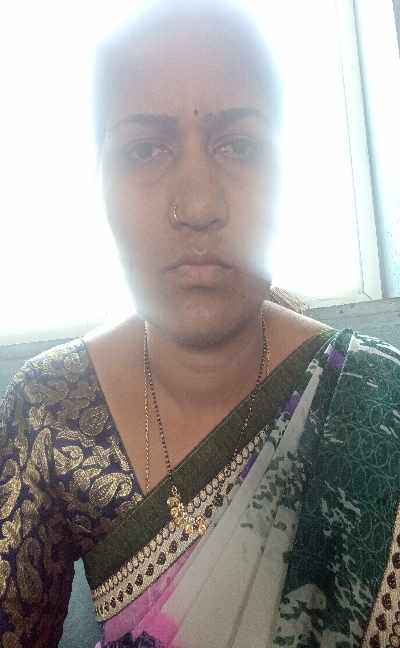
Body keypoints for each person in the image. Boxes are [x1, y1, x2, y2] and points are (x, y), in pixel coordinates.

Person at [0, 1, 399, 646]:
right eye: (145, 149)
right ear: (95, 175)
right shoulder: (52, 409)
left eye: (239, 145)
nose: (199, 204)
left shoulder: (381, 405)